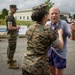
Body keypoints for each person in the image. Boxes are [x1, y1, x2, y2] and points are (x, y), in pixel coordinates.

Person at [21, 4, 64, 75]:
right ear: (45, 16)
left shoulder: (30, 28)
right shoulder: (48, 30)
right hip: (39, 67)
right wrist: (60, 34)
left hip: (26, 63)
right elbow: (60, 46)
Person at [46, 7, 75, 75]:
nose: (54, 15)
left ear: (59, 15)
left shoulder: (63, 23)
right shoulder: (47, 24)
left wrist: (73, 31)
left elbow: (72, 38)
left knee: (59, 73)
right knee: (51, 71)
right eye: (52, 13)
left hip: (60, 53)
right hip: (50, 52)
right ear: (49, 15)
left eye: (56, 13)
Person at [6, 5, 20, 69]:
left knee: (10, 48)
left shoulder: (11, 16)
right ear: (11, 9)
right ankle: (11, 64)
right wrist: (17, 27)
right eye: (14, 9)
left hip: (12, 35)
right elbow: (10, 27)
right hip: (12, 35)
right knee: (12, 48)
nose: (15, 11)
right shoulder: (10, 17)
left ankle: (10, 59)